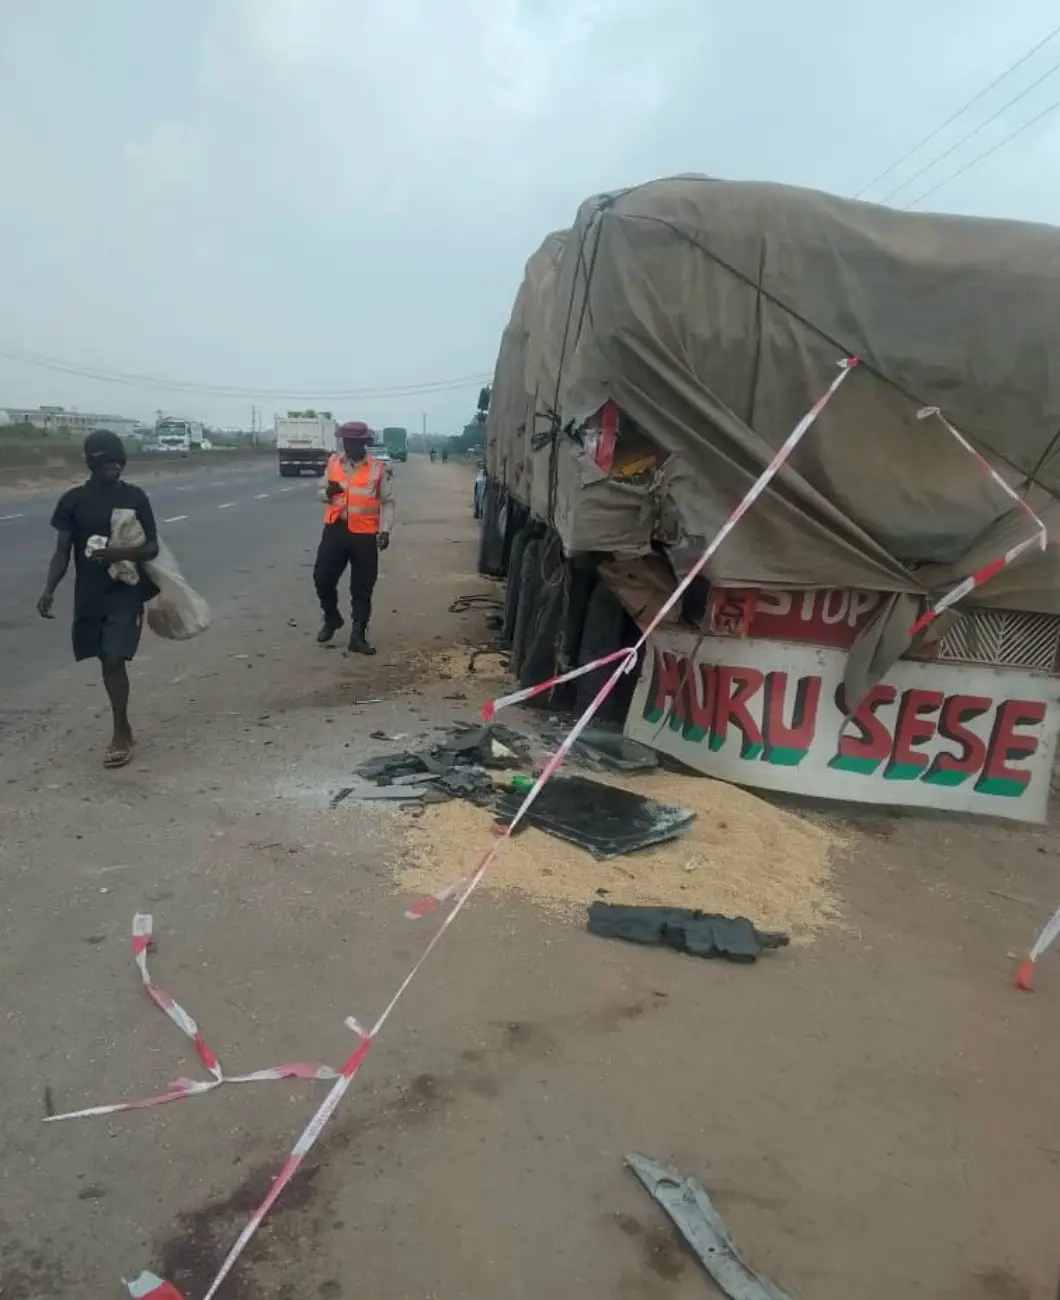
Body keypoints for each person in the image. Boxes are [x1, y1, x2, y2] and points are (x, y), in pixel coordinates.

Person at [36, 430, 160, 768]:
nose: (115, 466)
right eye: (108, 460)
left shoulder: (135, 497)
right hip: (90, 595)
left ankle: (119, 734)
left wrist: (117, 553)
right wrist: (49, 589)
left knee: (113, 659)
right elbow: (62, 552)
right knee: (103, 657)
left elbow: (152, 547)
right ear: (92, 461)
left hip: (125, 590)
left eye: (119, 460)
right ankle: (125, 725)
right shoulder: (73, 501)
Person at [313, 422, 394, 655]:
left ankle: (358, 635)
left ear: (364, 443)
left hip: (364, 535)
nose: (350, 446)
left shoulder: (378, 468)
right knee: (322, 579)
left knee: (362, 588)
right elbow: (319, 492)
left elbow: (388, 502)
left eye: (355, 442)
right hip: (335, 530)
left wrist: (385, 530)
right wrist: (327, 493)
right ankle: (332, 617)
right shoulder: (334, 463)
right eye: (346, 442)